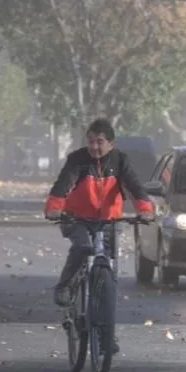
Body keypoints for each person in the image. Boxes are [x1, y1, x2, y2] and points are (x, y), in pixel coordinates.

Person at [43, 118, 154, 353]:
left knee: (107, 274)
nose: (94, 146)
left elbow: (135, 188)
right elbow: (63, 185)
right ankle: (65, 287)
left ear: (111, 144)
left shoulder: (120, 161)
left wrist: (145, 210)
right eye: (91, 141)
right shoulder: (77, 160)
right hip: (77, 219)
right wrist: (54, 208)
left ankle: (106, 335)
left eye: (100, 142)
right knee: (83, 248)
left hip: (109, 221)